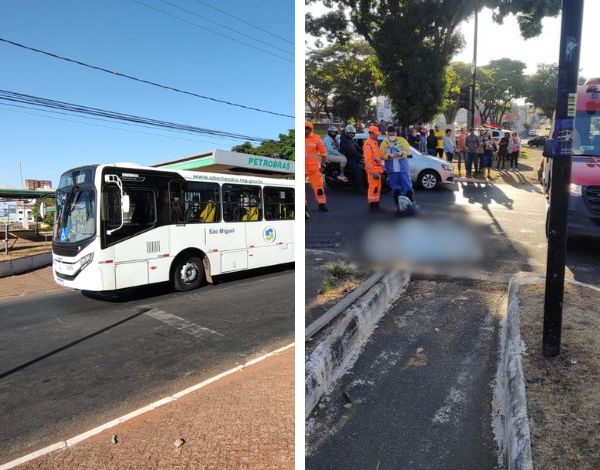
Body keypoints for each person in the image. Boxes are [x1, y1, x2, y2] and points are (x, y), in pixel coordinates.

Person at [381, 126, 414, 214]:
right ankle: (398, 207)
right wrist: (388, 156)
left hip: (403, 169)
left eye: (393, 134)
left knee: (407, 187)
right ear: (387, 134)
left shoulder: (402, 140)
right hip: (392, 170)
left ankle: (411, 206)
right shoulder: (384, 143)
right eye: (390, 135)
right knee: (395, 189)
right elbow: (381, 155)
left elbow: (408, 150)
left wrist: (402, 153)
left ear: (396, 134)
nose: (392, 136)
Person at [305, 120, 328, 212]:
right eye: (304, 128)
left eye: (307, 129)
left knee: (319, 187)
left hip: (313, 168)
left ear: (311, 129)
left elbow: (324, 153)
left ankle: (322, 205)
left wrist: (323, 166)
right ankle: (304, 207)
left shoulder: (317, 138)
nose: (305, 131)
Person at [363, 125, 384, 211]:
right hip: (373, 171)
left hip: (377, 169)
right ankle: (372, 206)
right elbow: (368, 160)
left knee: (377, 187)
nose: (377, 135)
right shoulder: (368, 144)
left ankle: (376, 204)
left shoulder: (374, 142)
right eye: (375, 134)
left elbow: (377, 156)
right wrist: (372, 171)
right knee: (373, 187)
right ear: (371, 133)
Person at [339, 124, 366, 191]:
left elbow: (357, 147)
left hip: (353, 157)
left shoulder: (350, 139)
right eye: (350, 133)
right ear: (346, 133)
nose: (351, 134)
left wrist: (365, 152)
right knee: (358, 171)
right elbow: (352, 151)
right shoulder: (345, 141)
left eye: (353, 133)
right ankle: (361, 189)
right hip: (349, 158)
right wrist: (362, 156)